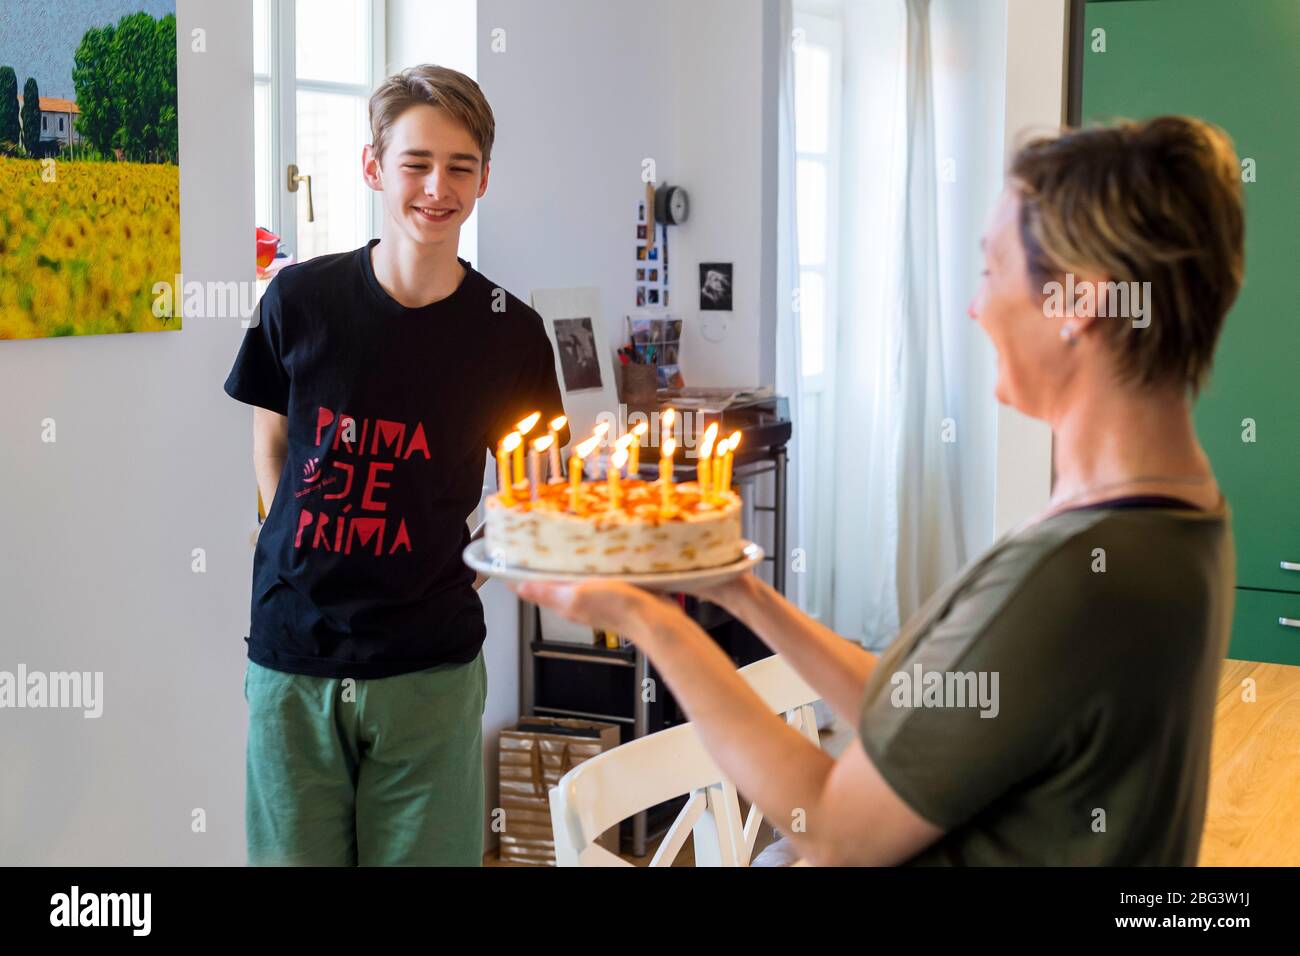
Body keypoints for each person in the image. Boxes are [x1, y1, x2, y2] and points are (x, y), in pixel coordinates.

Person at [516, 116, 1244, 865]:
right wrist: (739, 592)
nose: (976, 306)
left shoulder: (1078, 578)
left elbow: (835, 830)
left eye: (992, 271)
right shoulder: (1179, 518)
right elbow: (921, 718)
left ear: (1079, 303)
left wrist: (656, 624)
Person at [224, 64, 568, 866]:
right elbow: (270, 439)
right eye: (416, 163)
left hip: (429, 668)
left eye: (460, 166)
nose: (436, 187)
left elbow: (535, 489)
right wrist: (288, 539)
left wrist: (465, 569)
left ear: (484, 177)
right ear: (374, 167)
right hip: (292, 660)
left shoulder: (509, 334)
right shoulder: (297, 300)